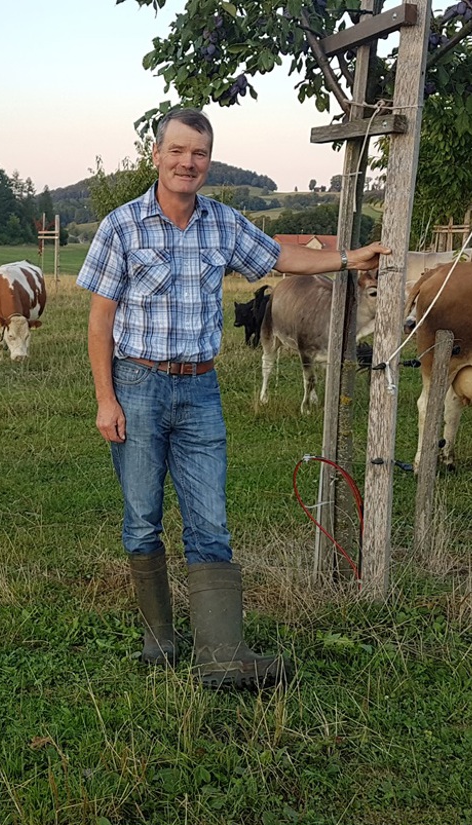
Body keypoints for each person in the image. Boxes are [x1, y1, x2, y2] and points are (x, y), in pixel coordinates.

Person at [79, 107, 387, 690]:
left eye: (197, 153)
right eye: (176, 151)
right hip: (138, 386)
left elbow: (281, 258)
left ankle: (221, 656)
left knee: (210, 519)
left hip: (201, 388)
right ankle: (161, 641)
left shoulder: (222, 223)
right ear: (156, 156)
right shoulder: (121, 226)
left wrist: (350, 258)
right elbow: (100, 321)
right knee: (142, 517)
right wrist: (106, 399)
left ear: (208, 162)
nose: (186, 162)